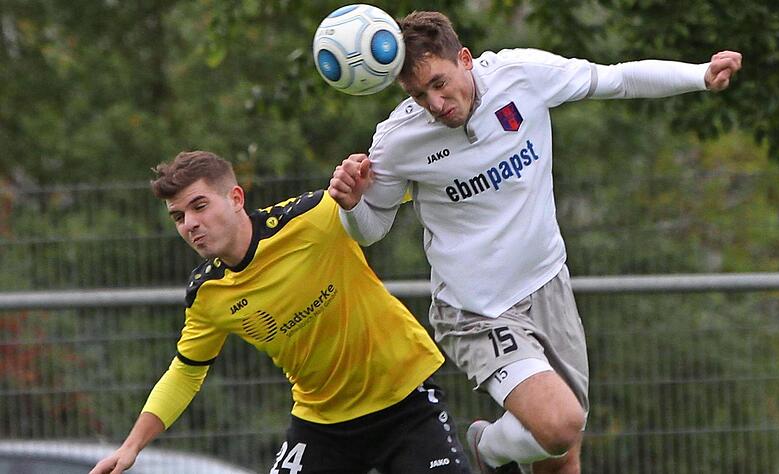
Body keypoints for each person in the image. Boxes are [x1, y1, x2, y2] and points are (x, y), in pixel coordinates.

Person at [328, 10, 742, 474]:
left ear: (464, 59)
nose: (436, 102)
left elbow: (617, 79)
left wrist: (700, 76)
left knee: (561, 457)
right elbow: (370, 228)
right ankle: (486, 449)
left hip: (549, 284)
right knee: (560, 426)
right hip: (477, 310)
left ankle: (505, 447)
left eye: (440, 83)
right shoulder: (397, 141)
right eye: (419, 95)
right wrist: (352, 204)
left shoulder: (521, 76)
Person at [90, 150, 472, 474]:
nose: (190, 224)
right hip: (322, 426)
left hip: (405, 402)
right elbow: (186, 372)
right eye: (178, 216)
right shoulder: (208, 294)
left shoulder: (314, 219)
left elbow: (409, 186)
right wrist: (131, 446)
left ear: (236, 198)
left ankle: (493, 450)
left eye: (199, 206)